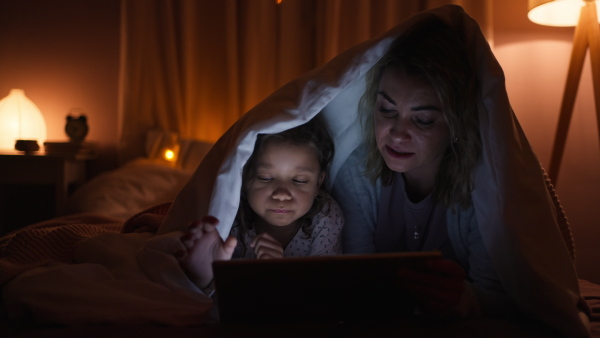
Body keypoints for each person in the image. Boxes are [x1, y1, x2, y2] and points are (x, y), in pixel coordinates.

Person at [330, 12, 590, 336]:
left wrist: (464, 299)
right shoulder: (357, 171)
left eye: (423, 120)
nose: (397, 133)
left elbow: (516, 297)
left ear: (455, 123)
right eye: (387, 109)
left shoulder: (482, 184)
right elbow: (355, 283)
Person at [177, 115, 343, 292]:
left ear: (318, 182)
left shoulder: (325, 219)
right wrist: (203, 278)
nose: (281, 195)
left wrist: (280, 275)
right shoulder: (229, 218)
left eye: (300, 180)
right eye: (265, 178)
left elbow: (325, 294)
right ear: (245, 178)